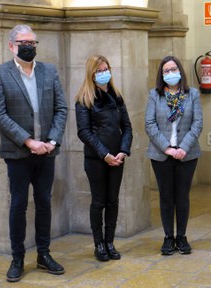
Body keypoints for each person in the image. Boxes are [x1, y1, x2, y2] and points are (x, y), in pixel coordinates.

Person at [0, 24, 68, 282]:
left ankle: (44, 254)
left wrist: (52, 140)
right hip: (18, 154)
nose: (29, 46)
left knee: (44, 203)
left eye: (33, 42)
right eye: (24, 42)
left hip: (47, 152)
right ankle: (18, 258)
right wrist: (28, 141)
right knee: (19, 205)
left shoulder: (49, 71)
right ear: (12, 45)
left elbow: (61, 109)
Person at [75, 55, 133, 262]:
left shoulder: (117, 96)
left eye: (106, 69)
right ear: (92, 73)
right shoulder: (84, 99)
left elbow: (126, 127)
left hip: (118, 157)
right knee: (98, 201)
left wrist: (123, 150)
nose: (103, 73)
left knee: (113, 200)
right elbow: (84, 132)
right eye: (99, 70)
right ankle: (99, 244)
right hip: (96, 159)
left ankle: (110, 242)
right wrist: (105, 154)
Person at [145, 55, 203, 255]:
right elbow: (149, 124)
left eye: (173, 69)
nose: (170, 73)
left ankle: (182, 237)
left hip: (187, 154)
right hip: (161, 155)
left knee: (182, 197)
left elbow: (197, 124)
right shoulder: (155, 95)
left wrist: (183, 147)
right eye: (166, 71)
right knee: (166, 197)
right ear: (162, 75)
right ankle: (168, 237)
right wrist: (167, 148)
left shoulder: (192, 94)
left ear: (180, 71)